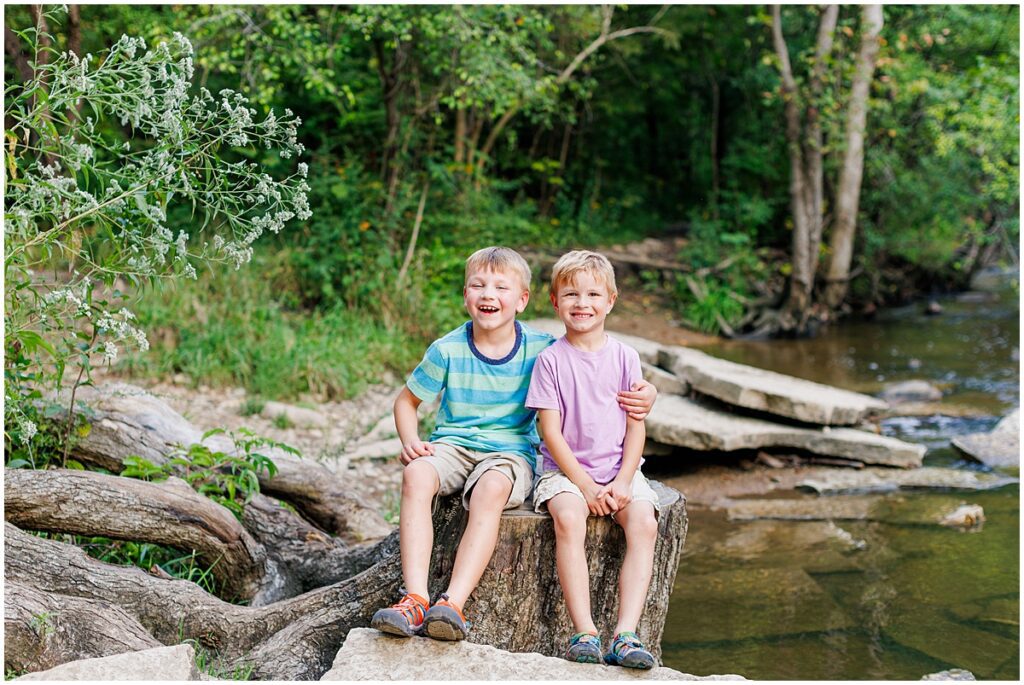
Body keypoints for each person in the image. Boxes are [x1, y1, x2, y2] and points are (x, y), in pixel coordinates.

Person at [371, 246, 657, 642]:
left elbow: (589, 358)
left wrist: (649, 392)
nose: (489, 295)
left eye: (501, 287)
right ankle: (416, 596)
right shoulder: (447, 349)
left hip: (509, 453)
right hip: (452, 445)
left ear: (522, 300)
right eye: (478, 285)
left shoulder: (542, 349)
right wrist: (411, 441)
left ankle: (451, 603)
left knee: (491, 491)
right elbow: (406, 400)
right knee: (416, 475)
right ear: (465, 295)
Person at [525, 250, 661, 669]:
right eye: (570, 295)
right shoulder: (550, 361)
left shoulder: (624, 358)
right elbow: (550, 431)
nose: (581, 303)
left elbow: (636, 426)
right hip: (565, 472)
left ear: (611, 300)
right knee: (569, 518)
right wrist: (585, 486)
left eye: (592, 294)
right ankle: (584, 630)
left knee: (644, 523)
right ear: (554, 302)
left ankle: (626, 634)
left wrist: (622, 483)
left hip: (619, 468)